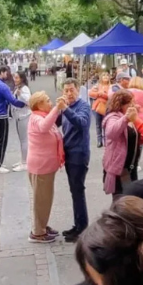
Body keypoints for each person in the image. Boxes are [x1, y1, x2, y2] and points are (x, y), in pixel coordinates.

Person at [26, 92, 66, 243]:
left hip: (46, 166)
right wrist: (57, 109)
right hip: (40, 167)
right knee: (41, 200)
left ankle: (42, 225)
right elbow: (44, 127)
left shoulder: (42, 116)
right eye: (48, 101)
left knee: (45, 199)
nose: (50, 103)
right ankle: (37, 232)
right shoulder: (37, 118)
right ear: (39, 104)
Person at [56, 79, 92, 242]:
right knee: (74, 191)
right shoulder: (66, 107)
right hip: (69, 151)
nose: (69, 94)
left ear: (78, 90)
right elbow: (55, 122)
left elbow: (82, 123)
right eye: (66, 91)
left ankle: (82, 228)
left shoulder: (83, 106)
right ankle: (78, 224)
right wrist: (56, 109)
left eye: (71, 90)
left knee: (78, 191)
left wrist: (65, 109)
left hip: (79, 153)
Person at [0, 66, 27, 174]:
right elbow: (13, 100)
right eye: (6, 73)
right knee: (1, 141)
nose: (7, 75)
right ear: (2, 72)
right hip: (0, 115)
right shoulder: (3, 86)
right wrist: (25, 104)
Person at [101, 90, 138, 198]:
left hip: (129, 166)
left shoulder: (127, 117)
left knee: (130, 198)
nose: (132, 106)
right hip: (120, 167)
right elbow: (111, 133)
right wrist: (126, 118)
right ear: (121, 104)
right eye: (129, 103)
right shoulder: (113, 117)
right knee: (122, 199)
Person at [11, 71, 32, 172]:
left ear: (22, 79)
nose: (15, 80)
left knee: (24, 140)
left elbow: (29, 101)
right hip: (19, 116)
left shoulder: (24, 89)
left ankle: (25, 163)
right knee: (22, 139)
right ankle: (23, 160)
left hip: (24, 116)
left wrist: (21, 95)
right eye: (14, 77)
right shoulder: (18, 88)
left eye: (17, 78)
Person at [89, 73, 112, 148]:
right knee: (98, 124)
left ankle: (105, 139)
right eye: (104, 76)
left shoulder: (111, 87)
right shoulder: (97, 86)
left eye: (107, 76)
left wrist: (102, 95)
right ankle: (99, 140)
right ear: (101, 78)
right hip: (96, 107)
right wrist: (99, 93)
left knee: (105, 124)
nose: (105, 77)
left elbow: (110, 97)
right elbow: (90, 93)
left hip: (107, 108)